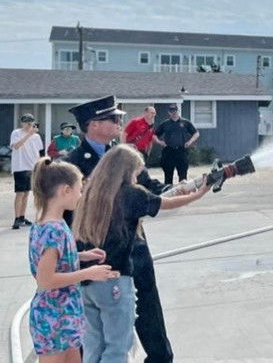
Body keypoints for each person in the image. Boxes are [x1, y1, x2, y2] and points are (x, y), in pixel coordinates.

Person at [63, 96, 187, 363]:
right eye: (113, 118)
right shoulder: (71, 163)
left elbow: (150, 188)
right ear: (93, 124)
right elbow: (64, 213)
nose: (120, 122)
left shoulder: (123, 155)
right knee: (98, 328)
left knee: (149, 307)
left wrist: (184, 188)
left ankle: (160, 358)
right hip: (96, 254)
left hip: (134, 247)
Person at [73, 144, 208, 363]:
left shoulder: (90, 192)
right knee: (117, 347)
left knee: (94, 347)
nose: (138, 176)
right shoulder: (130, 193)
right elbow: (167, 202)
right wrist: (199, 193)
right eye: (137, 171)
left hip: (88, 283)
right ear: (126, 170)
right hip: (115, 281)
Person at [28, 157, 119, 363]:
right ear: (65, 191)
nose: (81, 196)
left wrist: (82, 256)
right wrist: (89, 273)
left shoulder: (53, 224)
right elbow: (45, 280)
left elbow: (54, 260)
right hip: (53, 316)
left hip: (66, 312)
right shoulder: (53, 230)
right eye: (79, 190)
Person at [11, 113, 44, 229]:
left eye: (30, 122)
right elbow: (16, 146)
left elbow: (40, 152)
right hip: (20, 166)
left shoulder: (37, 136)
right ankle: (16, 218)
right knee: (19, 193)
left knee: (26, 193)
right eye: (25, 122)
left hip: (32, 167)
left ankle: (22, 217)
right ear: (21, 123)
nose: (27, 124)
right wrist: (29, 134)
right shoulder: (16, 133)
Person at [153, 104, 199, 186]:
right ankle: (168, 195)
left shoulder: (185, 122)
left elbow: (196, 133)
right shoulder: (165, 124)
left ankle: (183, 195)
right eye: (171, 111)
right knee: (168, 176)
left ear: (178, 111)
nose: (173, 113)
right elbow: (154, 135)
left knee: (183, 176)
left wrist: (190, 142)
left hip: (181, 150)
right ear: (169, 112)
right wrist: (160, 142)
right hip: (168, 151)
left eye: (175, 111)